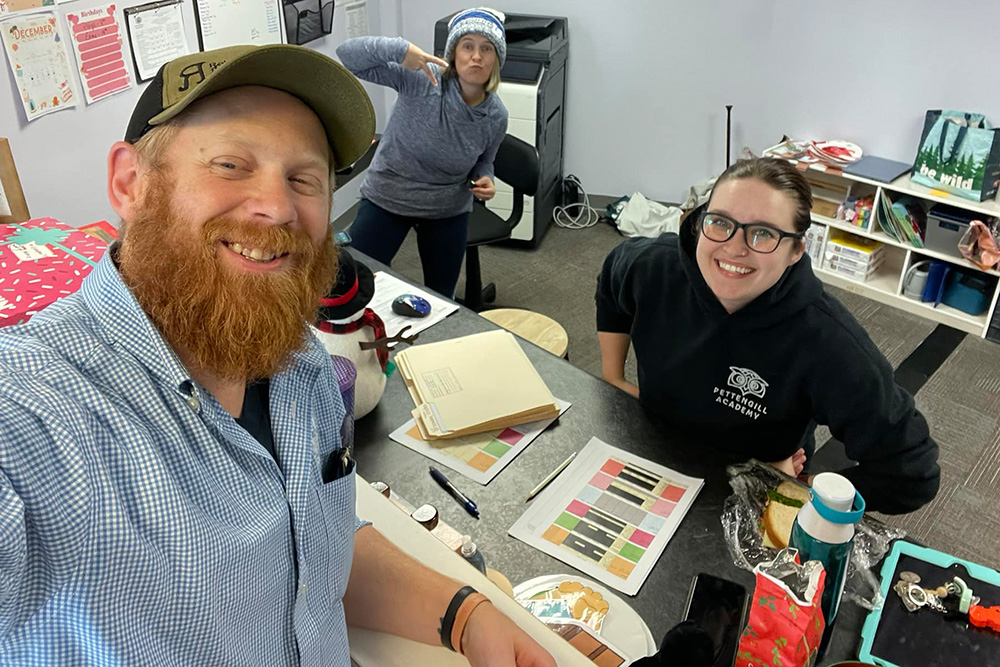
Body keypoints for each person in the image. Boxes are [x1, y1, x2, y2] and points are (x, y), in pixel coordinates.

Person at [0, 45, 553, 667]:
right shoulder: (32, 414)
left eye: (303, 178)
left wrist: (465, 617)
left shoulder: (301, 365)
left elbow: (305, 548)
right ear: (131, 183)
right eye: (231, 164)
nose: (278, 207)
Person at [595, 157, 939, 514]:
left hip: (751, 499)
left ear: (796, 251)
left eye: (763, 233)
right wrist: (614, 378)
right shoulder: (652, 266)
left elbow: (912, 472)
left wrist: (801, 491)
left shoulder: (827, 340)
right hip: (654, 452)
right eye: (720, 222)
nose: (734, 247)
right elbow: (611, 282)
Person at [336, 7, 509, 298]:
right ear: (454, 52)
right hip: (389, 195)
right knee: (356, 282)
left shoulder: (496, 116)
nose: (476, 56)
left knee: (441, 297)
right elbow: (347, 56)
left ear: (496, 59)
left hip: (446, 208)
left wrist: (486, 179)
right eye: (468, 46)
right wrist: (399, 49)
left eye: (486, 48)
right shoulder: (422, 79)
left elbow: (484, 160)